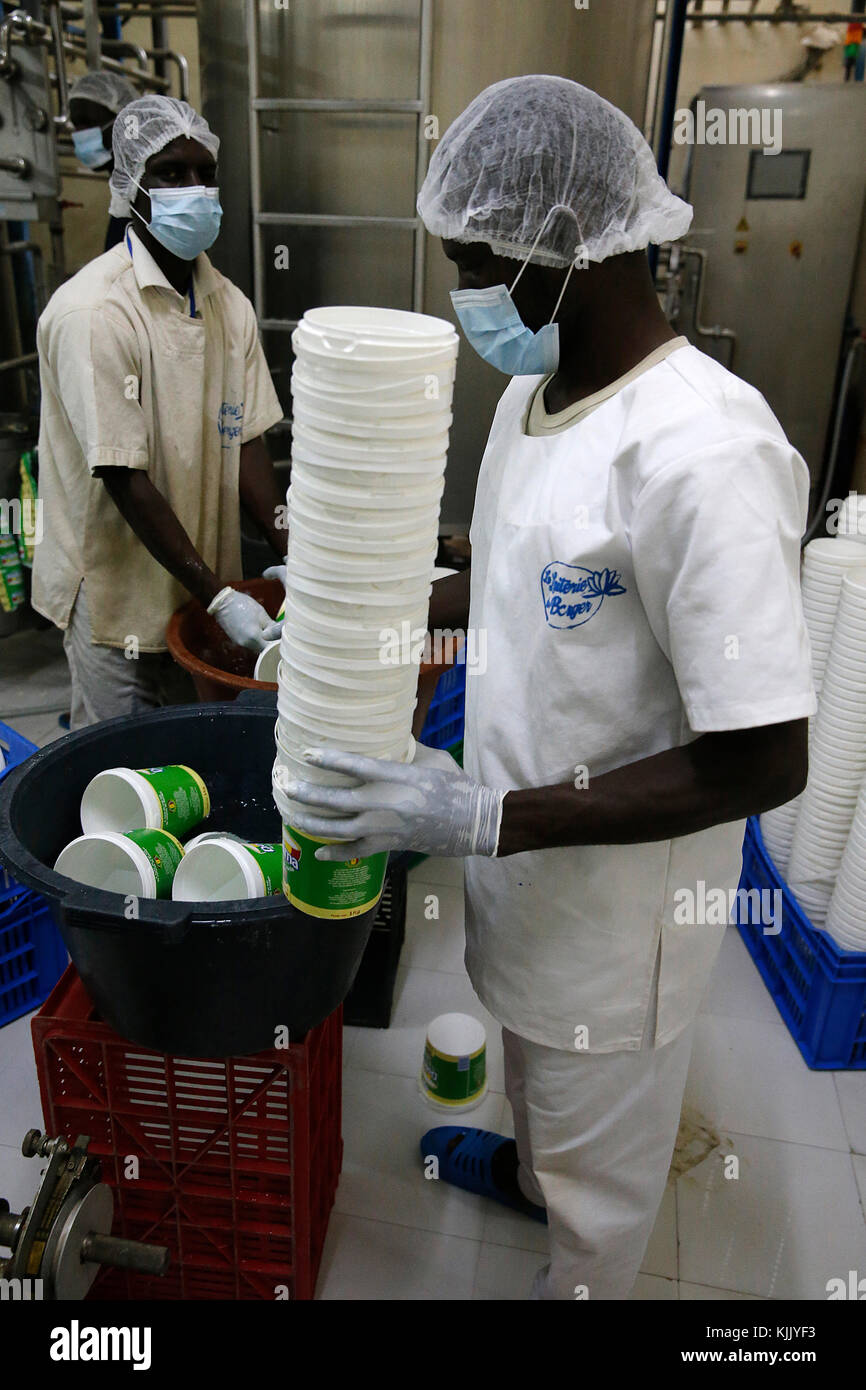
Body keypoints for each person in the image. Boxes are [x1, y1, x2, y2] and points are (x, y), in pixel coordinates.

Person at [281, 77, 816, 1300]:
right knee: (532, 1076)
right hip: (524, 866)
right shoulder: (539, 392)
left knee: (600, 1172)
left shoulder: (706, 452)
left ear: (567, 253)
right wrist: (346, 607)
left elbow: (765, 758)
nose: (466, 296)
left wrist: (482, 817)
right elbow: (518, 577)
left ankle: (578, 1262)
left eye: (477, 263)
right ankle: (528, 1171)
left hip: (615, 917)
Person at [33, 96, 286, 730]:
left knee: (192, 767)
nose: (193, 190)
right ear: (132, 188)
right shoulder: (95, 312)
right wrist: (221, 595)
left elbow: (249, 439)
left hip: (197, 587)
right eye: (171, 174)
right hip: (117, 594)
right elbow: (122, 474)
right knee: (123, 766)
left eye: (204, 174)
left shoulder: (227, 304)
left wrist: (291, 548)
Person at [68, 70, 140, 251]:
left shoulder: (143, 196)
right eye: (76, 124)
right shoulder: (121, 196)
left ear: (124, 122)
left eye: (88, 122)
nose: (81, 134)